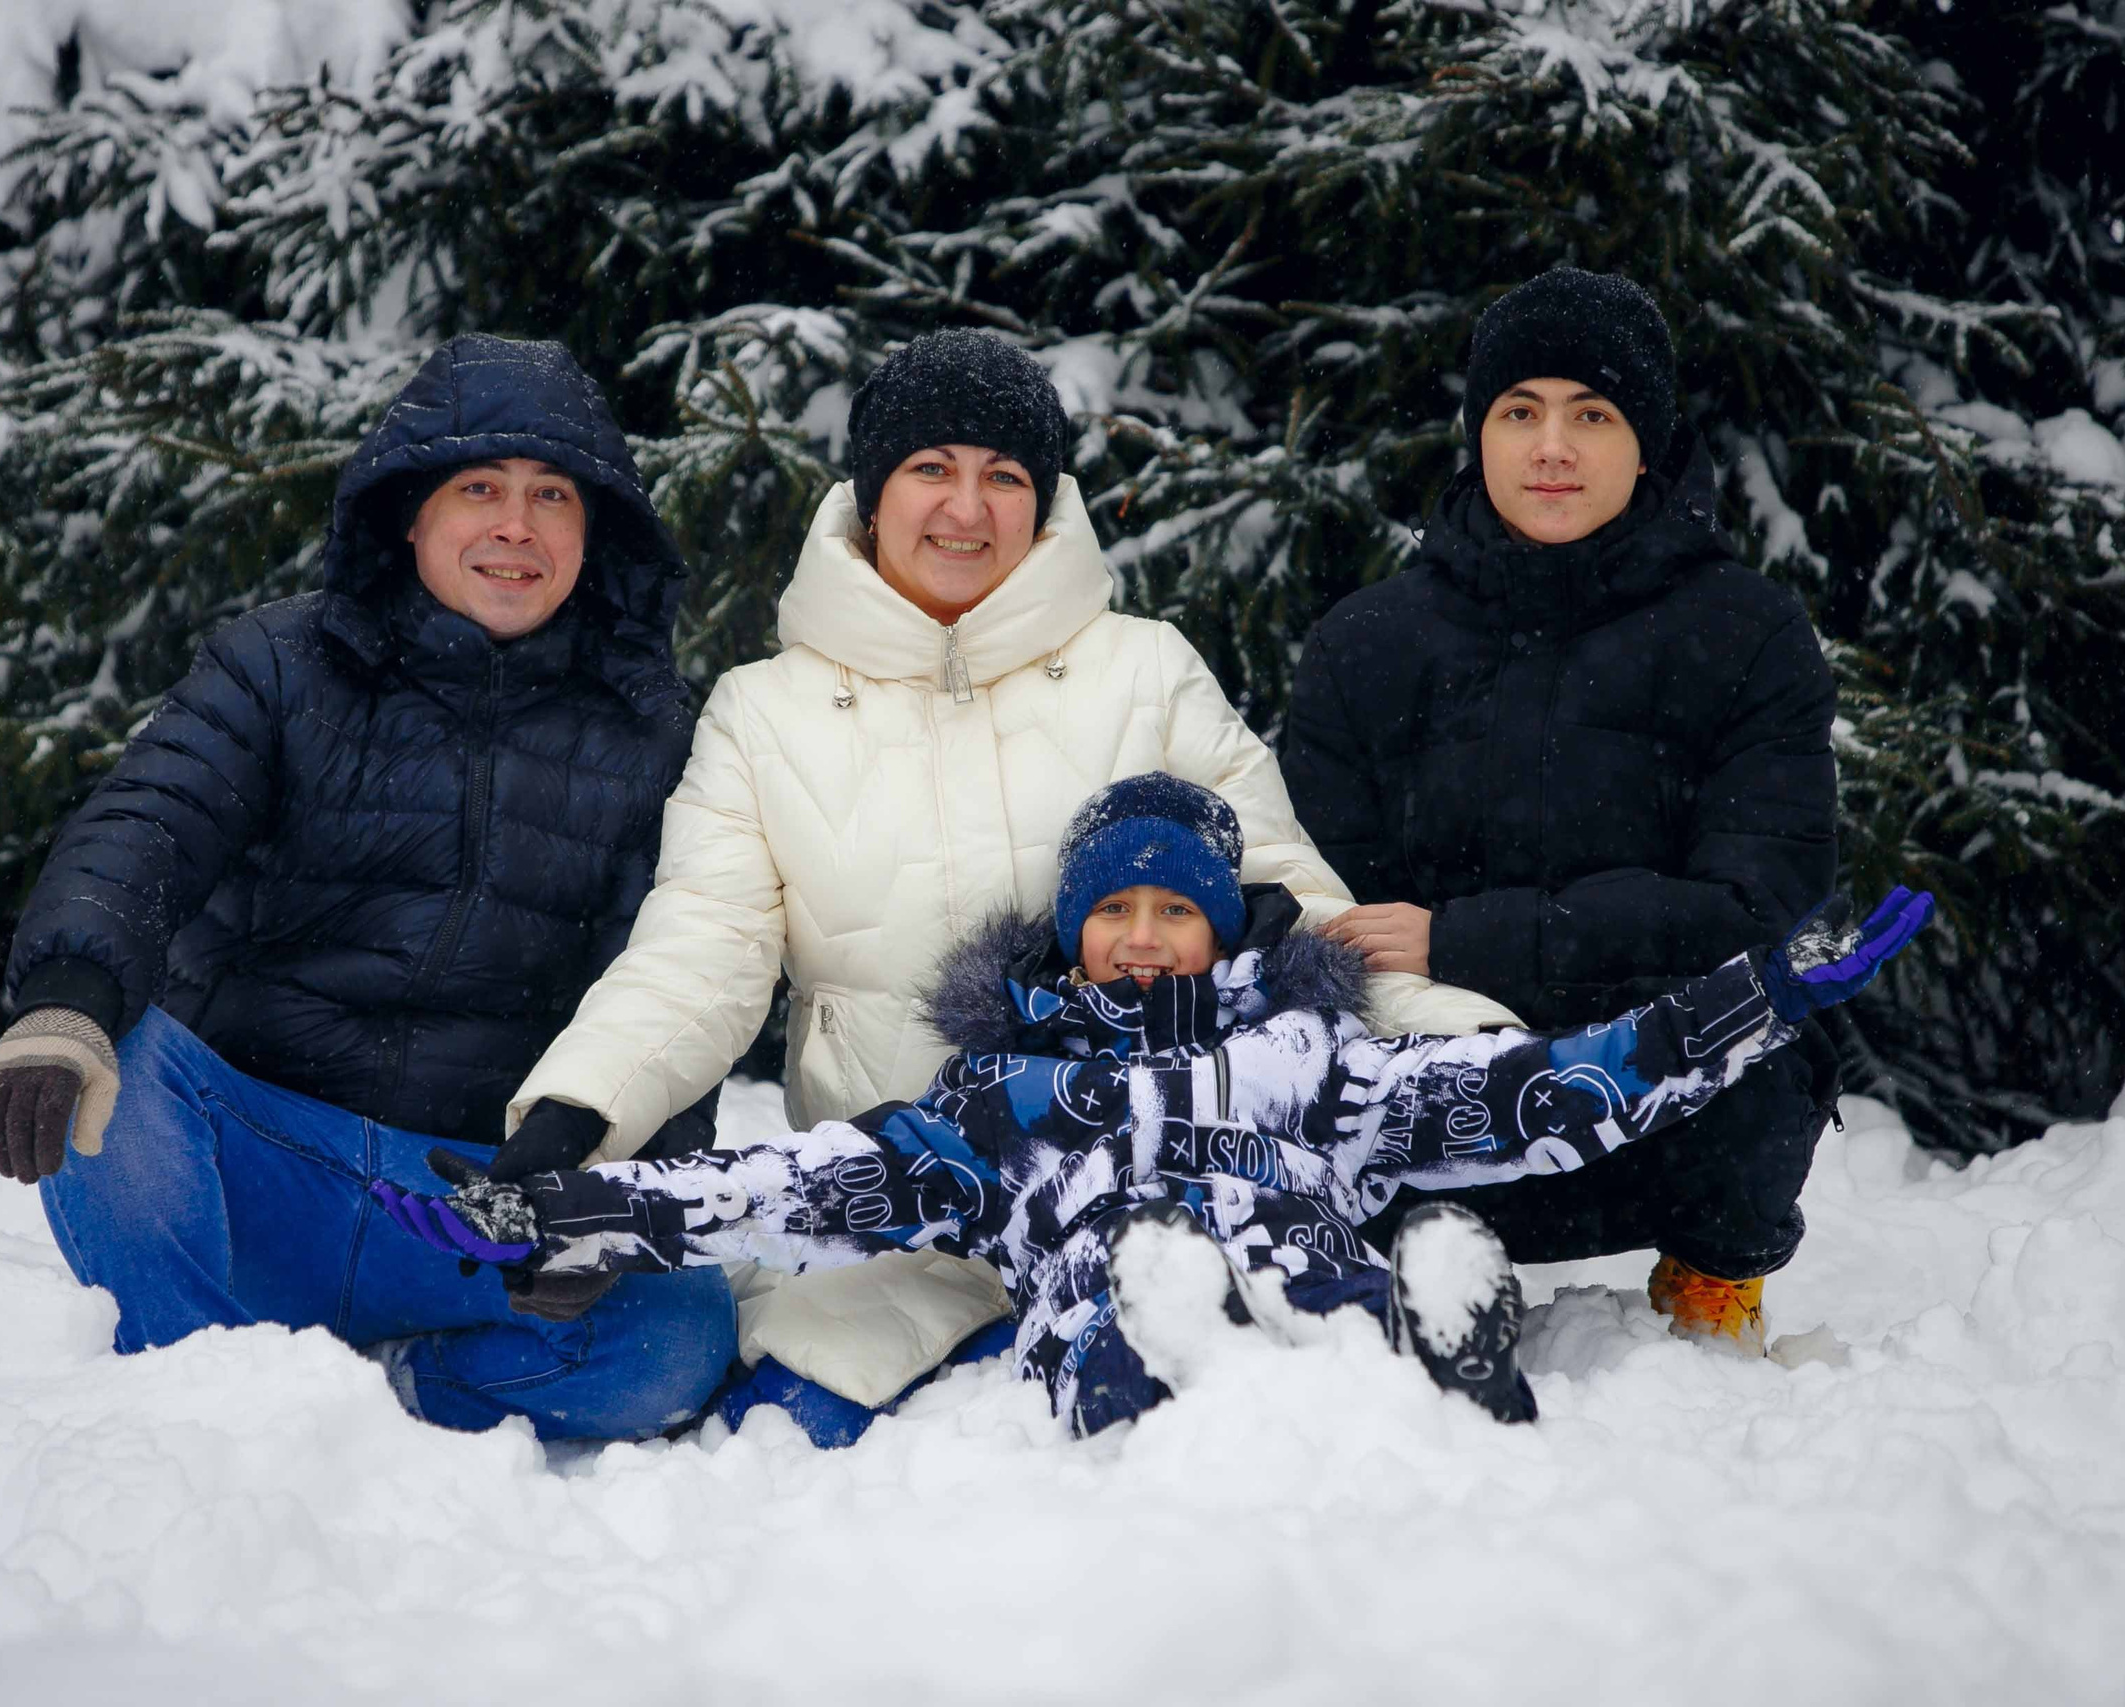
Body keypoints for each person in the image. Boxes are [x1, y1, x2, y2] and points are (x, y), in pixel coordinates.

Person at [495, 330, 1517, 1445]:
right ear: (871, 495)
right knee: (790, 1443)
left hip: (1153, 1196)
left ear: (1045, 500)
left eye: (1005, 476)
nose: (967, 509)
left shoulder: (1146, 670)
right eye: (931, 468)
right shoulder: (764, 712)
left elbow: (1297, 914)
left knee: (1259, 1403)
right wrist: (578, 1115)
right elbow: (701, 949)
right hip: (901, 1230)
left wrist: (1476, 1046)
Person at [375, 775, 1930, 1434]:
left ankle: (1444, 1360)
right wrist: (574, 1209)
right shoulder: (1000, 1096)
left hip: (1312, 1287)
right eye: (1108, 910)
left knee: (1352, 1294)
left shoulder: (1316, 1062)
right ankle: (1177, 1347)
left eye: (1170, 909)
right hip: (1106, 1324)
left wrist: (1759, 995)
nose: (1136, 934)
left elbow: (1543, 1091)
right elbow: (799, 1184)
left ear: (1220, 930)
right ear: (1068, 939)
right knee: (1123, 1289)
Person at [0, 333, 736, 1438]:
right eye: (480, 488)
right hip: (257, 1162)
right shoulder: (280, 664)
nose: (516, 527)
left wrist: (619, 1192)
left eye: (552, 496)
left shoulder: (654, 732)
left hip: (473, 1196)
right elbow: (150, 821)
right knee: (115, 1056)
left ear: (594, 532)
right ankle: (196, 1390)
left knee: (678, 1332)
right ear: (410, 514)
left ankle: (404, 1394)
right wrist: (66, 996)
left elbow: (677, 982)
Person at [1283, 268, 1843, 1353]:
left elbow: (1758, 908)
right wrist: (1445, 996)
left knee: (1766, 1031)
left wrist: (1468, 937)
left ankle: (1713, 1278)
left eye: (1592, 415)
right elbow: (1329, 909)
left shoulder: (1748, 636)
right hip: (1436, 1080)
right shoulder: (1365, 644)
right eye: (1519, 412)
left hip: (1662, 1085)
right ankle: (1382, 1298)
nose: (1551, 448)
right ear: (1477, 435)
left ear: (1647, 445)